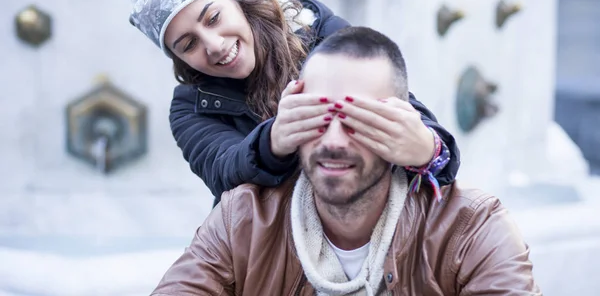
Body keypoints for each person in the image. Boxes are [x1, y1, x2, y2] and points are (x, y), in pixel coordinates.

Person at [150, 26, 540, 296]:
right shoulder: (244, 221)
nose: (333, 141)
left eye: (358, 120)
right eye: (318, 117)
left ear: (399, 123)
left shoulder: (470, 228)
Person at [128, 0, 459, 204]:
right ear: (179, 59)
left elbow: (408, 113)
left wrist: (428, 149)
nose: (213, 45)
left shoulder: (314, 30)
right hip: (270, 252)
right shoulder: (189, 106)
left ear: (237, 1)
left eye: (213, 18)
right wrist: (274, 141)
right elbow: (223, 172)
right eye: (188, 44)